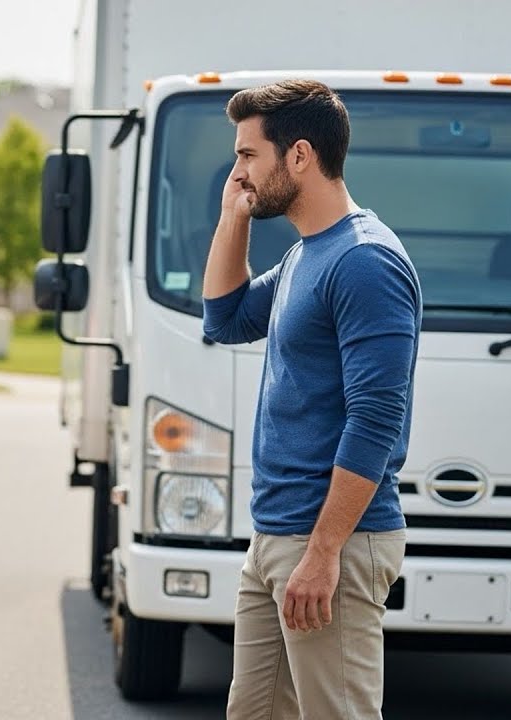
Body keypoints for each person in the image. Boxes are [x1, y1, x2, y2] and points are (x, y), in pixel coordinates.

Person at [202, 80, 421, 719]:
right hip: (278, 535)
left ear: (298, 156)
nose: (237, 170)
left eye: (248, 155)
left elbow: (377, 419)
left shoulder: (364, 262)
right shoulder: (310, 253)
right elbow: (226, 317)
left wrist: (324, 553)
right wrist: (232, 215)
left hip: (332, 543)